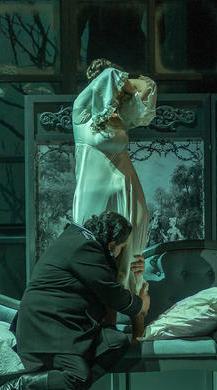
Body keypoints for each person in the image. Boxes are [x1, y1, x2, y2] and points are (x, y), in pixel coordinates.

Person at [0, 211, 150, 390]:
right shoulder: (85, 248)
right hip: (47, 327)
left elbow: (104, 279)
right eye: (123, 248)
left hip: (67, 325)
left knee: (116, 342)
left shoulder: (80, 239)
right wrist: (140, 304)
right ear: (112, 244)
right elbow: (110, 292)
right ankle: (14, 388)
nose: (122, 253)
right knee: (78, 377)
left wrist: (130, 267)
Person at [71, 58, 158, 334]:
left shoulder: (119, 116)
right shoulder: (81, 112)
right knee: (99, 260)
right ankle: (102, 329)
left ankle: (137, 328)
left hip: (126, 190)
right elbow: (109, 76)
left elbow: (146, 87)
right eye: (116, 86)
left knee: (131, 260)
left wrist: (127, 88)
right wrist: (113, 80)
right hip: (95, 198)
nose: (120, 92)